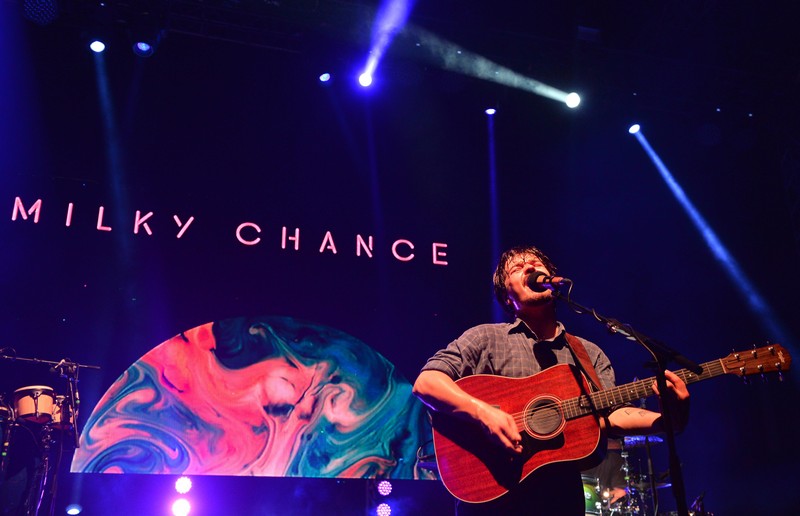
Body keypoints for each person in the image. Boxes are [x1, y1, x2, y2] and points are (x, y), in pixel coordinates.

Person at [412, 245, 690, 515]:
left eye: (536, 264)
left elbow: (610, 416)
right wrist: (483, 413)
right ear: (508, 298)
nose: (530, 267)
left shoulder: (587, 353)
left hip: (561, 499)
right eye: (518, 268)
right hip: (492, 496)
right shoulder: (485, 338)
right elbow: (427, 383)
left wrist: (667, 418)